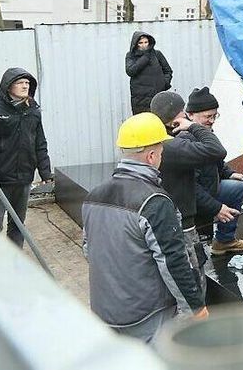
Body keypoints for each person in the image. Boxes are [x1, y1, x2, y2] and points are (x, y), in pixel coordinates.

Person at [83, 113, 208, 342]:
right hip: (147, 315)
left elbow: (88, 250)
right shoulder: (154, 201)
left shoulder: (94, 196)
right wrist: (196, 308)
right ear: (151, 156)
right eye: (160, 152)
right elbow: (173, 262)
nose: (161, 157)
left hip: (104, 310)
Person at [150, 90, 227, 288]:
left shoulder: (157, 142)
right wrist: (193, 126)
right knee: (192, 277)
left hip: (165, 218)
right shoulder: (175, 146)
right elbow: (216, 151)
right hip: (183, 223)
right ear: (179, 115)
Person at [0, 67, 52, 248]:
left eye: (27, 83)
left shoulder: (32, 110)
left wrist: (45, 172)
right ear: (8, 86)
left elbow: (40, 142)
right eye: (20, 83)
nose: (25, 86)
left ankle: (14, 262)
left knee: (17, 224)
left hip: (23, 178)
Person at [187, 87, 243, 255]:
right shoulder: (186, 140)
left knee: (237, 186)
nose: (212, 120)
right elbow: (190, 187)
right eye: (208, 116)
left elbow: (216, 162)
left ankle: (224, 240)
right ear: (191, 115)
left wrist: (229, 173)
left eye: (215, 116)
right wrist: (216, 208)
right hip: (192, 198)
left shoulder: (204, 132)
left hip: (208, 188)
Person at [125, 31, 173, 114]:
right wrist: (145, 57)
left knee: (160, 121)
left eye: (145, 42)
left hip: (157, 96)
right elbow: (130, 71)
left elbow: (168, 71)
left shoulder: (157, 54)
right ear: (136, 44)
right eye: (140, 43)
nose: (143, 45)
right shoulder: (131, 55)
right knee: (142, 123)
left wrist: (164, 83)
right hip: (140, 99)